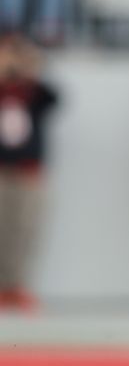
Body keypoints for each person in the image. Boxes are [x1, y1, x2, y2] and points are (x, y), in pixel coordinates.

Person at [0, 31, 58, 311]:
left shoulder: (33, 91)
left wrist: (28, 71)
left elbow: (53, 99)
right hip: (2, 170)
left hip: (28, 171)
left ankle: (18, 285)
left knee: (25, 231)